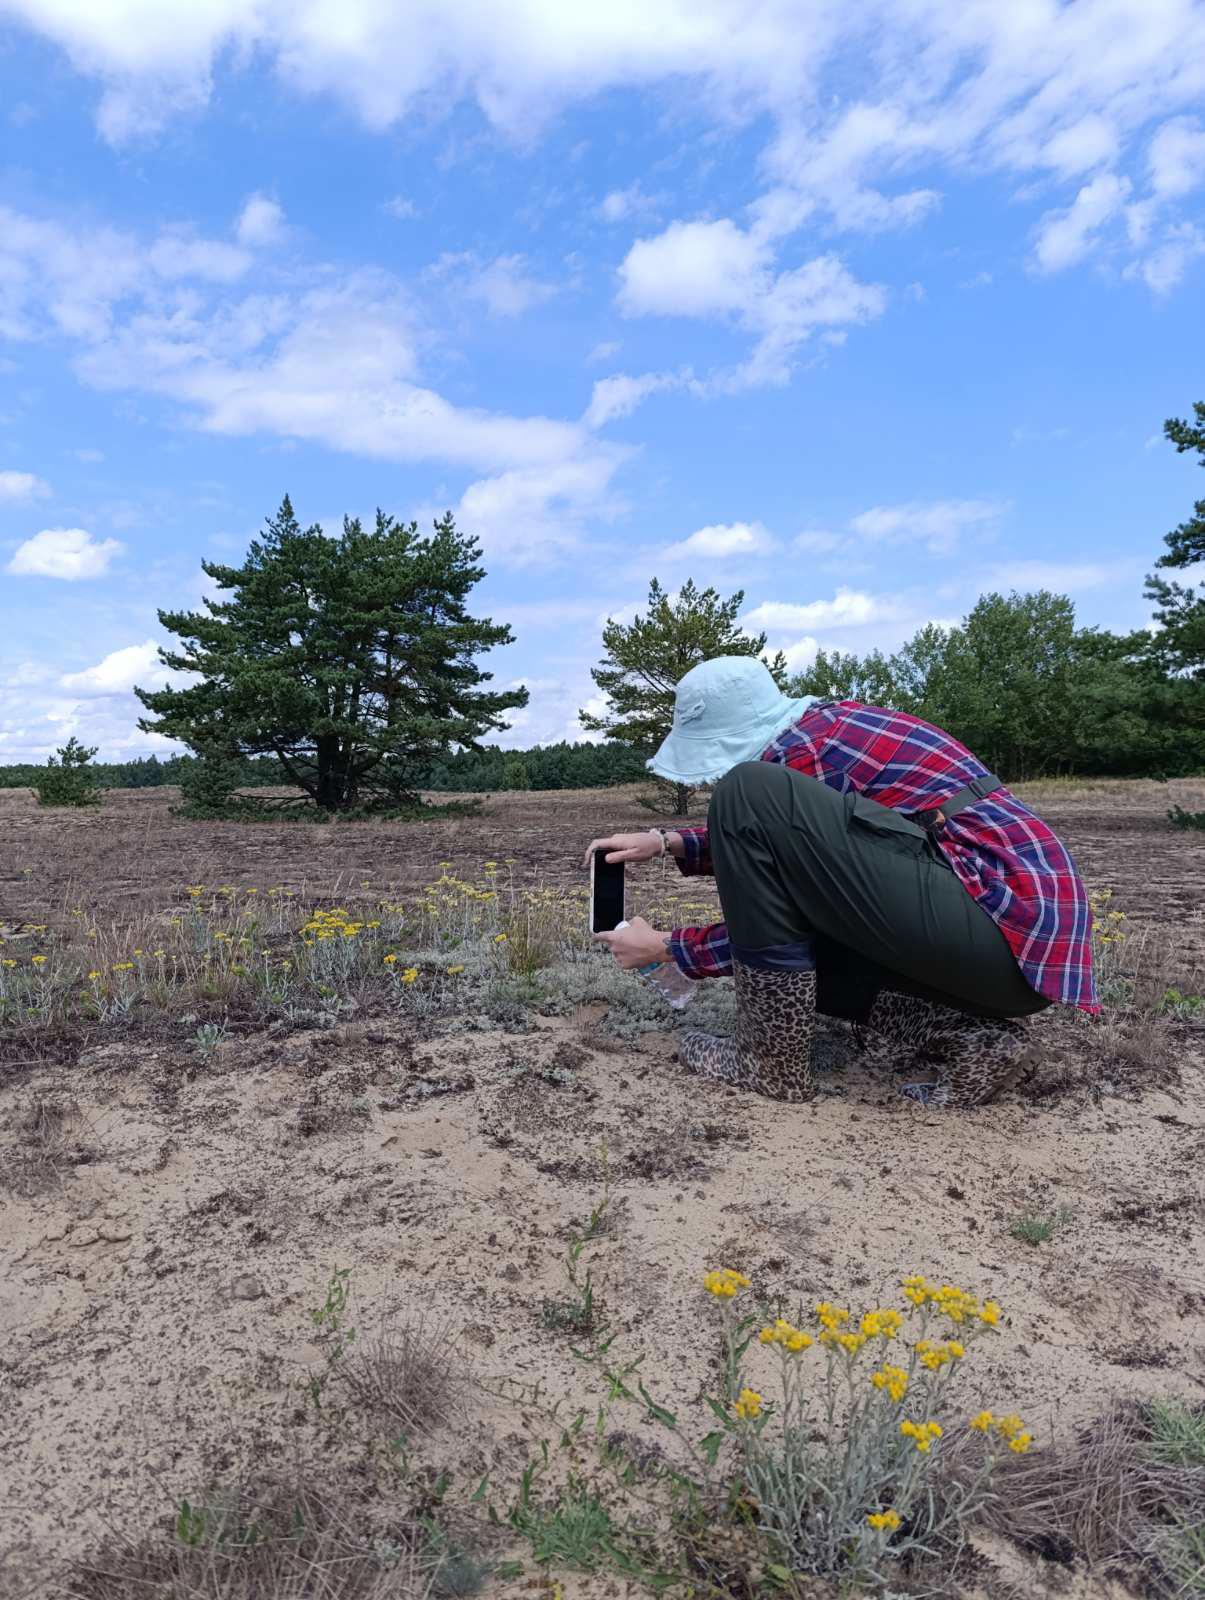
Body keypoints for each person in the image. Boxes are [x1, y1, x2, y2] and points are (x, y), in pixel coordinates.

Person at [584, 655, 1097, 1109]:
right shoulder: (831, 731)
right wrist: (667, 842)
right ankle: (974, 1038)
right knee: (795, 959)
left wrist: (671, 949)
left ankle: (769, 1063)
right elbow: (805, 857)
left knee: (748, 794)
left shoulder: (799, 756)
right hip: (1014, 959)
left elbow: (786, 907)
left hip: (1003, 934)